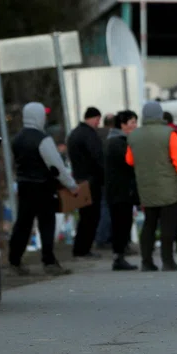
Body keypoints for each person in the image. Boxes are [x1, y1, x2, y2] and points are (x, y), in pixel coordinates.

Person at [8, 101, 80, 276]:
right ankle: (49, 261)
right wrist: (71, 185)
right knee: (47, 223)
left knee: (23, 224)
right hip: (43, 187)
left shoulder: (17, 139)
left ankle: (14, 260)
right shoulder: (43, 139)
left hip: (24, 185)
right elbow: (56, 166)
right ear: (39, 116)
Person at [127, 101, 177, 272]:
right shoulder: (169, 134)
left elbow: (129, 160)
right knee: (167, 226)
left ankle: (146, 261)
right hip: (169, 189)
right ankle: (167, 261)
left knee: (149, 224)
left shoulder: (134, 136)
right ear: (159, 115)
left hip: (146, 188)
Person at [67, 106, 106, 258]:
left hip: (79, 179)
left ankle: (80, 248)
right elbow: (97, 157)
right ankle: (83, 249)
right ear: (93, 118)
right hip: (91, 181)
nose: (98, 123)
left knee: (84, 216)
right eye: (98, 119)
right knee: (91, 216)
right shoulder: (89, 135)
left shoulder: (75, 133)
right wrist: (104, 175)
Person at [105, 110, 139, 271]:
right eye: (132, 122)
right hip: (119, 190)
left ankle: (120, 254)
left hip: (120, 190)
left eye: (135, 122)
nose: (135, 125)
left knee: (123, 222)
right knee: (121, 223)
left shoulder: (116, 140)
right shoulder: (117, 142)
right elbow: (129, 163)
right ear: (122, 125)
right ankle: (118, 256)